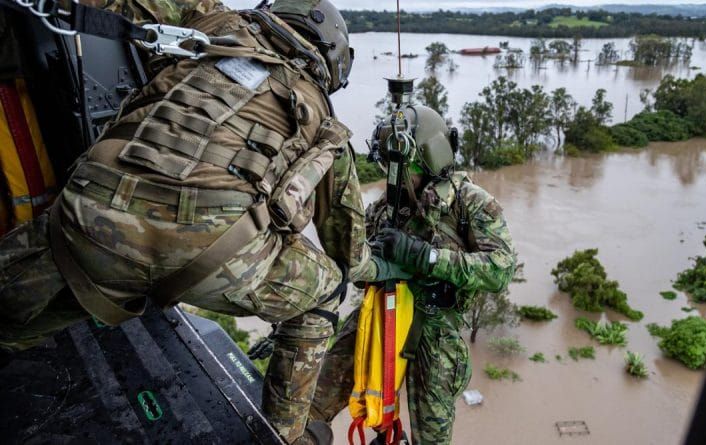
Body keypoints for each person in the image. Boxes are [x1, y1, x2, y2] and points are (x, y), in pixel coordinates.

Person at [0, 1, 407, 443]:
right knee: (324, 292)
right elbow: (348, 250)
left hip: (94, 218)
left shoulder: (211, 34)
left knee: (27, 304)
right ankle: (281, 436)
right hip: (213, 255)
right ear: (332, 60)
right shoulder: (324, 123)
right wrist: (379, 267)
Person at [310, 105, 516, 444]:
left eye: (402, 171)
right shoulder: (389, 207)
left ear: (428, 160)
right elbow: (359, 261)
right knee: (316, 399)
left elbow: (500, 269)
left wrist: (426, 257)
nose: (395, 180)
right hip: (380, 310)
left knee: (431, 437)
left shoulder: (469, 203)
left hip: (435, 331)